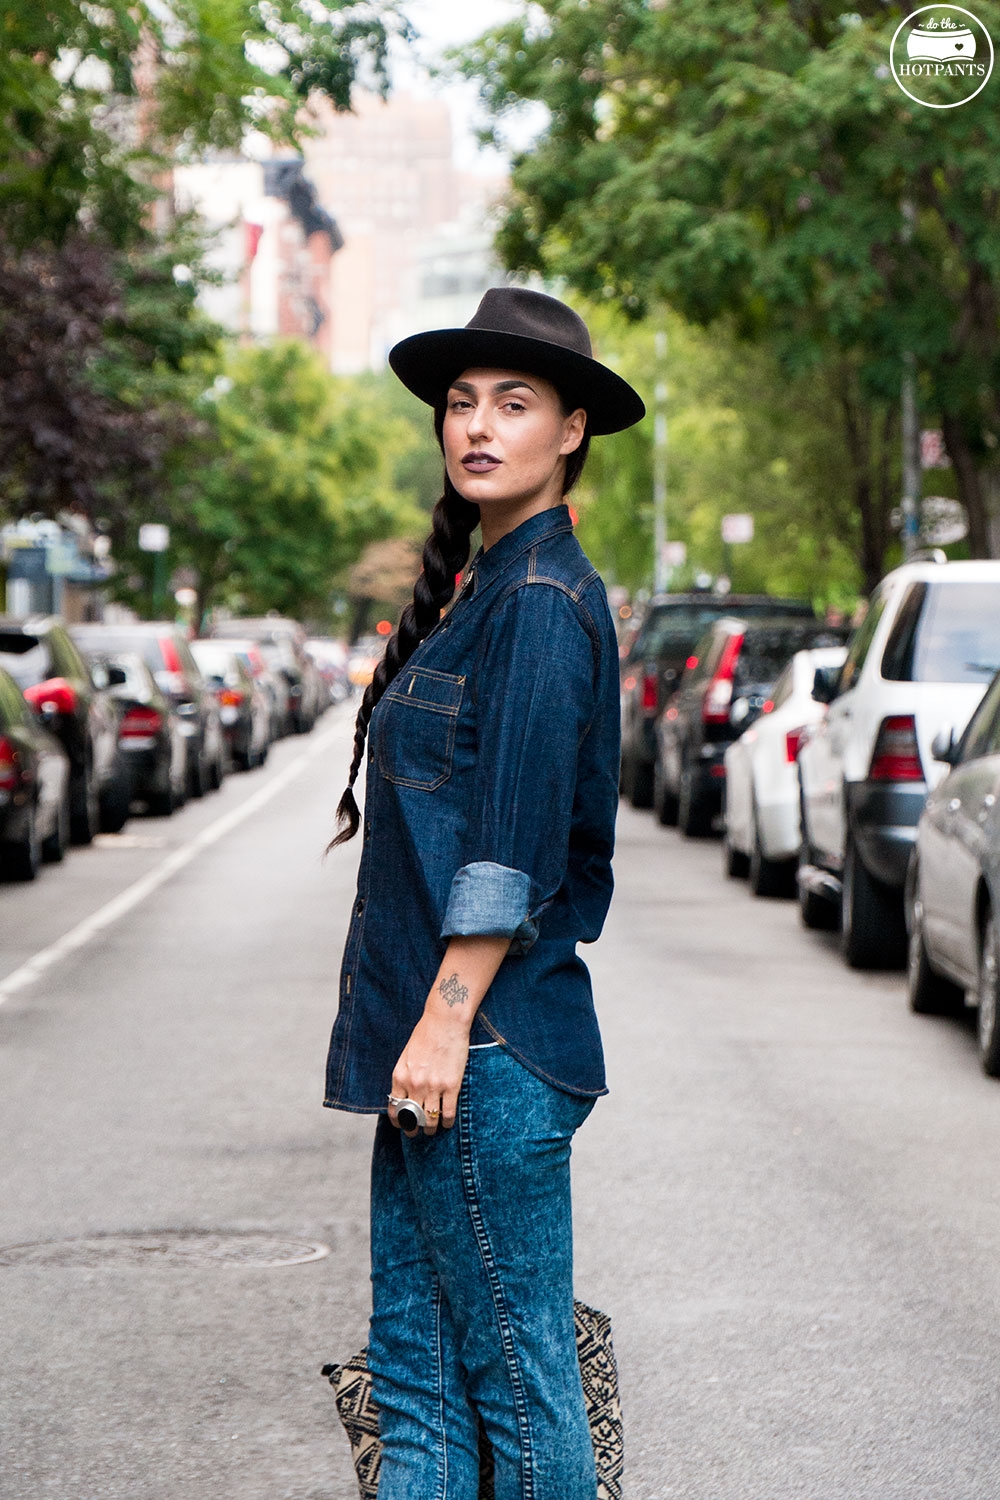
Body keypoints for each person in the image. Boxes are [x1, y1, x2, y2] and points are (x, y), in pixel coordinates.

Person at [324, 287, 645, 1500]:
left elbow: (511, 853)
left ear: (571, 431)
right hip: (433, 1050)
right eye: (461, 403)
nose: (478, 425)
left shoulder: (544, 605)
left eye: (513, 403)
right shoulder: (485, 590)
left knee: (516, 1387)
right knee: (413, 1386)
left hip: (486, 1053)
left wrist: (447, 1023)